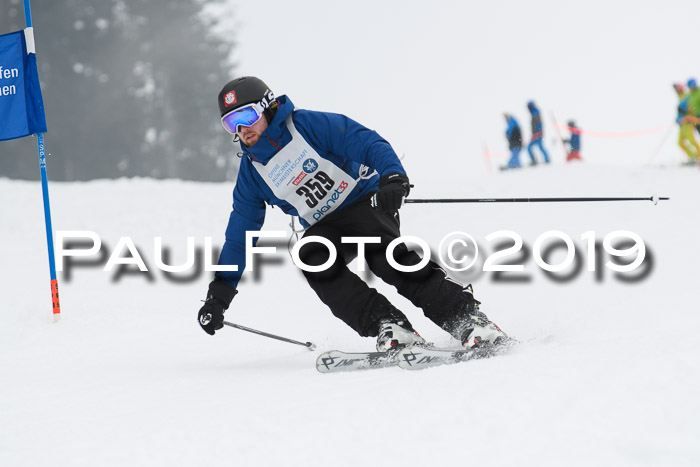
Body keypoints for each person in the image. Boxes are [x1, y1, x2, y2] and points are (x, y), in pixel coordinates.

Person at [197, 76, 506, 351]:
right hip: (325, 225)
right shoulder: (253, 173)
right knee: (312, 257)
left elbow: (364, 141)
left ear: (267, 107)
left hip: (364, 202)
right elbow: (239, 235)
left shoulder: (306, 126)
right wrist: (219, 294)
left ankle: (466, 318)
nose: (242, 129)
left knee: (382, 257)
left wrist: (392, 177)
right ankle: (389, 324)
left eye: (247, 116)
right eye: (230, 124)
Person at [673, 83, 700, 164]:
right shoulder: (680, 97)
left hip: (688, 122)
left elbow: (691, 106)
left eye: (678, 88)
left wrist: (687, 111)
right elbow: (679, 112)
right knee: (680, 142)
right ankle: (692, 156)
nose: (677, 90)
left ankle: (698, 156)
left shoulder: (688, 95)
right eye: (676, 89)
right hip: (682, 124)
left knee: (691, 140)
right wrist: (677, 119)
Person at [526, 101, 550, 165]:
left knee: (531, 147)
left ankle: (545, 159)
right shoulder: (534, 113)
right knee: (538, 147)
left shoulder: (535, 113)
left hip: (537, 134)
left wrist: (539, 132)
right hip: (536, 134)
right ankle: (546, 159)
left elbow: (539, 123)